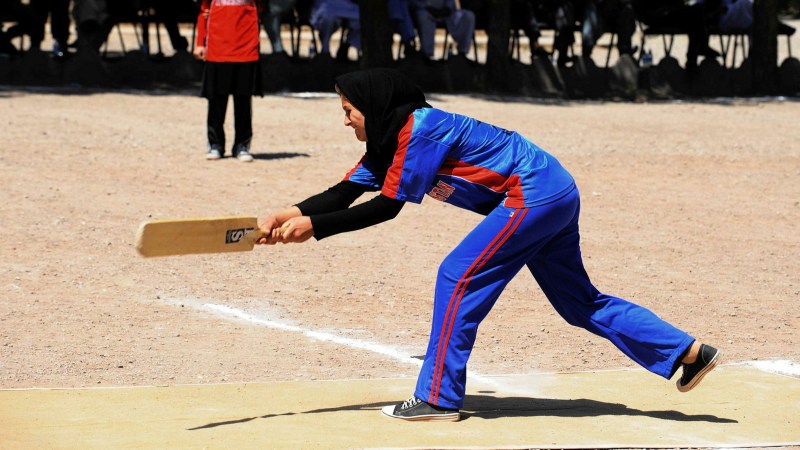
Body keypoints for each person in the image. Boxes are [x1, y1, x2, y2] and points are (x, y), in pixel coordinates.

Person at [254, 68, 721, 422]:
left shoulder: (419, 130)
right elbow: (347, 192)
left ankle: (437, 397)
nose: (345, 120)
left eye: (347, 110)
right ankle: (687, 351)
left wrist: (316, 227)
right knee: (580, 303)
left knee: (458, 276)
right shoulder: (390, 138)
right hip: (553, 189)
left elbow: (387, 207)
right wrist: (292, 212)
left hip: (532, 195)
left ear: (372, 106)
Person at [194, 0, 263, 162]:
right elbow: (203, 12)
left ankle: (242, 145)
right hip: (218, 47)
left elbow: (260, 10)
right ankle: (215, 144)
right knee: (216, 101)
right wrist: (199, 43)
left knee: (243, 101)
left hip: (246, 47)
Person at [409, 0, 475, 60]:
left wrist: (446, 9)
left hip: (447, 12)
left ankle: (462, 54)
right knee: (422, 16)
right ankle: (427, 56)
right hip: (425, 11)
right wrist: (427, 8)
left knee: (468, 16)